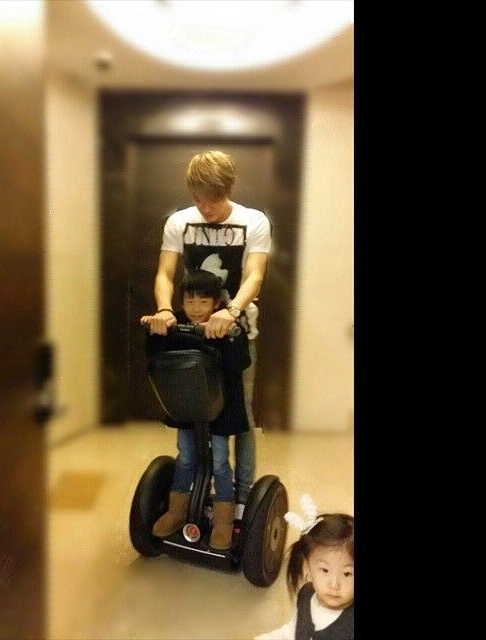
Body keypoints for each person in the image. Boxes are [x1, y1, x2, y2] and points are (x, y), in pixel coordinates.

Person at [145, 150, 272, 515]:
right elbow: (165, 273)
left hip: (237, 335)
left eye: (213, 200)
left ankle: (243, 497)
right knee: (193, 410)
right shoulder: (179, 221)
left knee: (240, 416)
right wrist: (165, 309)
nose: (205, 208)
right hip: (192, 336)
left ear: (227, 189)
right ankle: (192, 487)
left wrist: (231, 311)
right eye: (198, 200)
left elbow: (255, 275)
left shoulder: (254, 221)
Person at [141, 269, 251, 550]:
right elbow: (155, 353)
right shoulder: (176, 323)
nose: (196, 308)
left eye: (203, 302)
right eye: (190, 302)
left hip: (219, 410)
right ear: (181, 302)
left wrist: (229, 334)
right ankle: (177, 510)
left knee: (219, 463)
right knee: (187, 457)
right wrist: (156, 328)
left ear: (216, 303)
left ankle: (224, 520)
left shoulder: (227, 324)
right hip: (188, 407)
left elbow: (241, 363)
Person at [255, 495, 354, 640]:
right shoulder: (306, 595)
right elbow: (293, 631)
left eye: (347, 573)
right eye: (325, 570)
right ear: (308, 568)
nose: (334, 584)